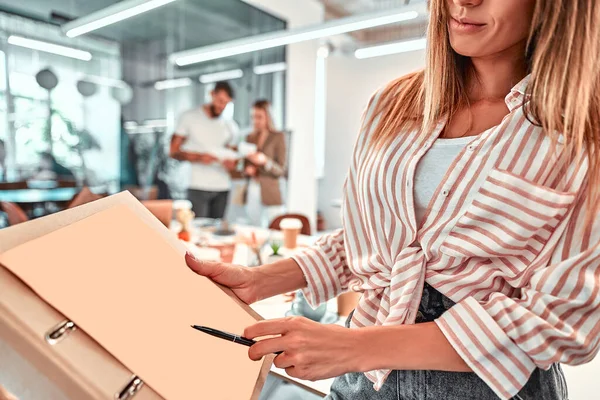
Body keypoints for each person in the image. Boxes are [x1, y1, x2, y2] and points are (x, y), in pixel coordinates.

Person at [184, 0, 600, 399]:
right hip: (364, 377)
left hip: (484, 386)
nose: (464, 1)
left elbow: (561, 319)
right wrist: (261, 279)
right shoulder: (393, 106)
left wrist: (355, 347)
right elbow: (371, 242)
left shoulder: (581, 132)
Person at [170, 81, 240, 219]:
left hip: (222, 187)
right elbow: (173, 151)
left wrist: (232, 164)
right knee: (197, 230)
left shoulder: (230, 126)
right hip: (197, 186)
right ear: (211, 95)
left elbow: (235, 156)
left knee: (216, 231)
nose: (222, 106)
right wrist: (200, 158)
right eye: (220, 101)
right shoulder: (189, 117)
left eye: (226, 103)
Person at [243, 100, 287, 227]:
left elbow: (281, 170)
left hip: (271, 190)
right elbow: (243, 164)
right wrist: (247, 169)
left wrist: (265, 161)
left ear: (268, 117)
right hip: (253, 188)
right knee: (253, 227)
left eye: (259, 117)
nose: (255, 121)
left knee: (275, 229)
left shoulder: (278, 137)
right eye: (253, 117)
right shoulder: (249, 138)